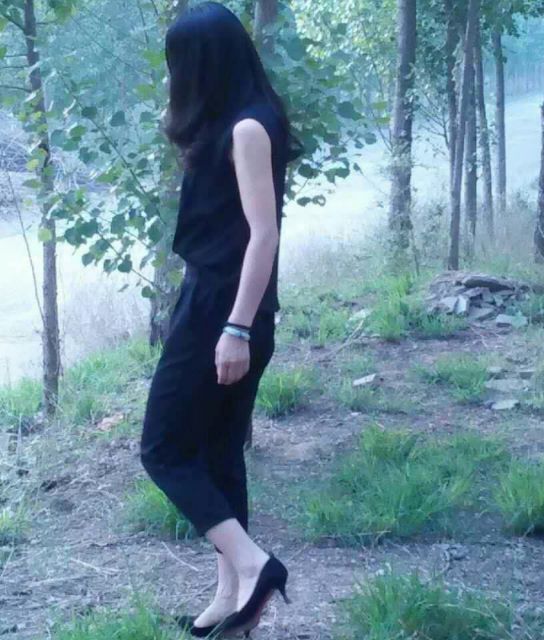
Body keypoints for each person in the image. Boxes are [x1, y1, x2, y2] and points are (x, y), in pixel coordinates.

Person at [139, 2, 303, 637]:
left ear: (201, 65)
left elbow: (265, 235)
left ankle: (255, 566)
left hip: (222, 306)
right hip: (228, 303)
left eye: (177, 64)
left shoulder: (247, 129)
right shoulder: (241, 119)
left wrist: (235, 327)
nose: (173, 77)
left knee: (162, 449)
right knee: (217, 449)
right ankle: (232, 595)